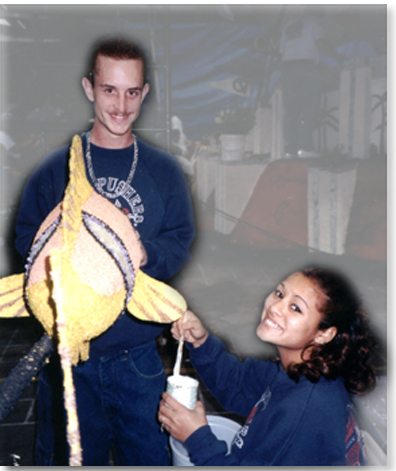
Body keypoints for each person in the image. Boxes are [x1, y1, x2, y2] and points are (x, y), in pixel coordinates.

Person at [14, 35, 195, 466]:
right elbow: (25, 237)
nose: (120, 105)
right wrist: (61, 252)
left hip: (139, 358)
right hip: (70, 358)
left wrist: (141, 253)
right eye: (109, 89)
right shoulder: (56, 166)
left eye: (132, 92)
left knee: (150, 459)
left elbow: (179, 239)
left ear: (145, 93)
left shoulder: (165, 171)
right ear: (88, 87)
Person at [158, 266, 376, 466]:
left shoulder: (304, 411)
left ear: (324, 334)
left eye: (295, 308)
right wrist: (201, 342)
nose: (275, 307)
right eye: (279, 293)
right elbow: (237, 384)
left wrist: (197, 438)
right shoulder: (301, 369)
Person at [279, 7, 342, 158]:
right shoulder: (315, 23)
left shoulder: (289, 25)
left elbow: (281, 50)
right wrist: (338, 57)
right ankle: (305, 148)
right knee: (309, 107)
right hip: (306, 68)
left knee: (291, 111)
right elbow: (321, 43)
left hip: (287, 68)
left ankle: (290, 150)